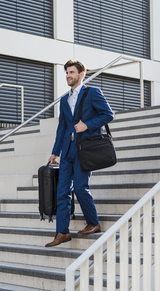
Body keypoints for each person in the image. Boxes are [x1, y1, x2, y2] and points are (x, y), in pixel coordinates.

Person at [45, 60, 114, 247]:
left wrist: (87, 125)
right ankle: (62, 232)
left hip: (85, 150)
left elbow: (108, 114)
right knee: (62, 191)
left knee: (81, 187)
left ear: (81, 74)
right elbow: (62, 128)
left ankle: (94, 222)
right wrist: (55, 152)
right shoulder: (64, 100)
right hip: (67, 151)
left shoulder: (92, 93)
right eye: (66, 72)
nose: (68, 75)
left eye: (72, 72)